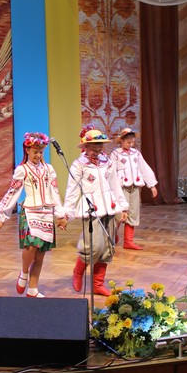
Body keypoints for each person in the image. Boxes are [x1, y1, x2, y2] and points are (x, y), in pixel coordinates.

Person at [0, 132, 68, 298]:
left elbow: (55, 192)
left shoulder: (49, 169)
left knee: (40, 253)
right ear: (27, 150)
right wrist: (2, 217)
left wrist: (60, 215)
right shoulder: (22, 170)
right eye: (35, 152)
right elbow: (12, 192)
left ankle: (33, 288)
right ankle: (24, 272)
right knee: (31, 245)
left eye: (41, 152)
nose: (38, 155)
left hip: (46, 212)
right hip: (31, 212)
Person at [64, 126, 129, 297]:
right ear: (86, 146)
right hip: (92, 209)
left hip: (110, 207)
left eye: (100, 145)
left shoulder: (107, 162)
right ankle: (78, 271)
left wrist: (122, 207)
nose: (98, 148)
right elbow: (72, 190)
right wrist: (67, 213)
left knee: (107, 247)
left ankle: (98, 284)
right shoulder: (79, 165)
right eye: (94, 145)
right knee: (92, 246)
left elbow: (115, 185)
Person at [109, 127, 158, 250]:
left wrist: (151, 185)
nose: (131, 144)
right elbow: (111, 171)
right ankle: (112, 235)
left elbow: (144, 168)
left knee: (133, 212)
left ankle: (128, 241)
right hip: (121, 187)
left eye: (132, 142)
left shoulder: (136, 153)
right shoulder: (115, 154)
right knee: (120, 213)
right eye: (128, 142)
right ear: (122, 141)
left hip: (134, 187)